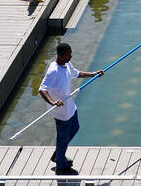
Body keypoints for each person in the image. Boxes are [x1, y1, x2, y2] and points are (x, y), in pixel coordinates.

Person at [38, 42, 104, 175]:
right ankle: (61, 166)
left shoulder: (67, 64)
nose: (71, 57)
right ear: (61, 55)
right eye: (68, 55)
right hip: (61, 112)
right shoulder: (53, 70)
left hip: (70, 107)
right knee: (62, 138)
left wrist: (93, 74)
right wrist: (52, 102)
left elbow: (76, 73)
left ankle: (58, 153)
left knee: (75, 128)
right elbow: (42, 89)